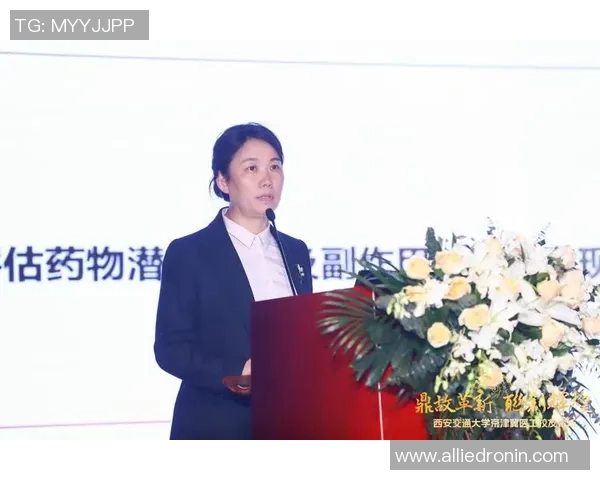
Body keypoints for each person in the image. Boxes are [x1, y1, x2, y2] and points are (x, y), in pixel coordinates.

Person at [154, 122, 313, 440]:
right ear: (223, 181)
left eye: (275, 167)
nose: (267, 179)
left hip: (288, 423)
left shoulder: (295, 250)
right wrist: (239, 370)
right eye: (252, 168)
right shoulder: (190, 252)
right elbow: (170, 349)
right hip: (217, 424)